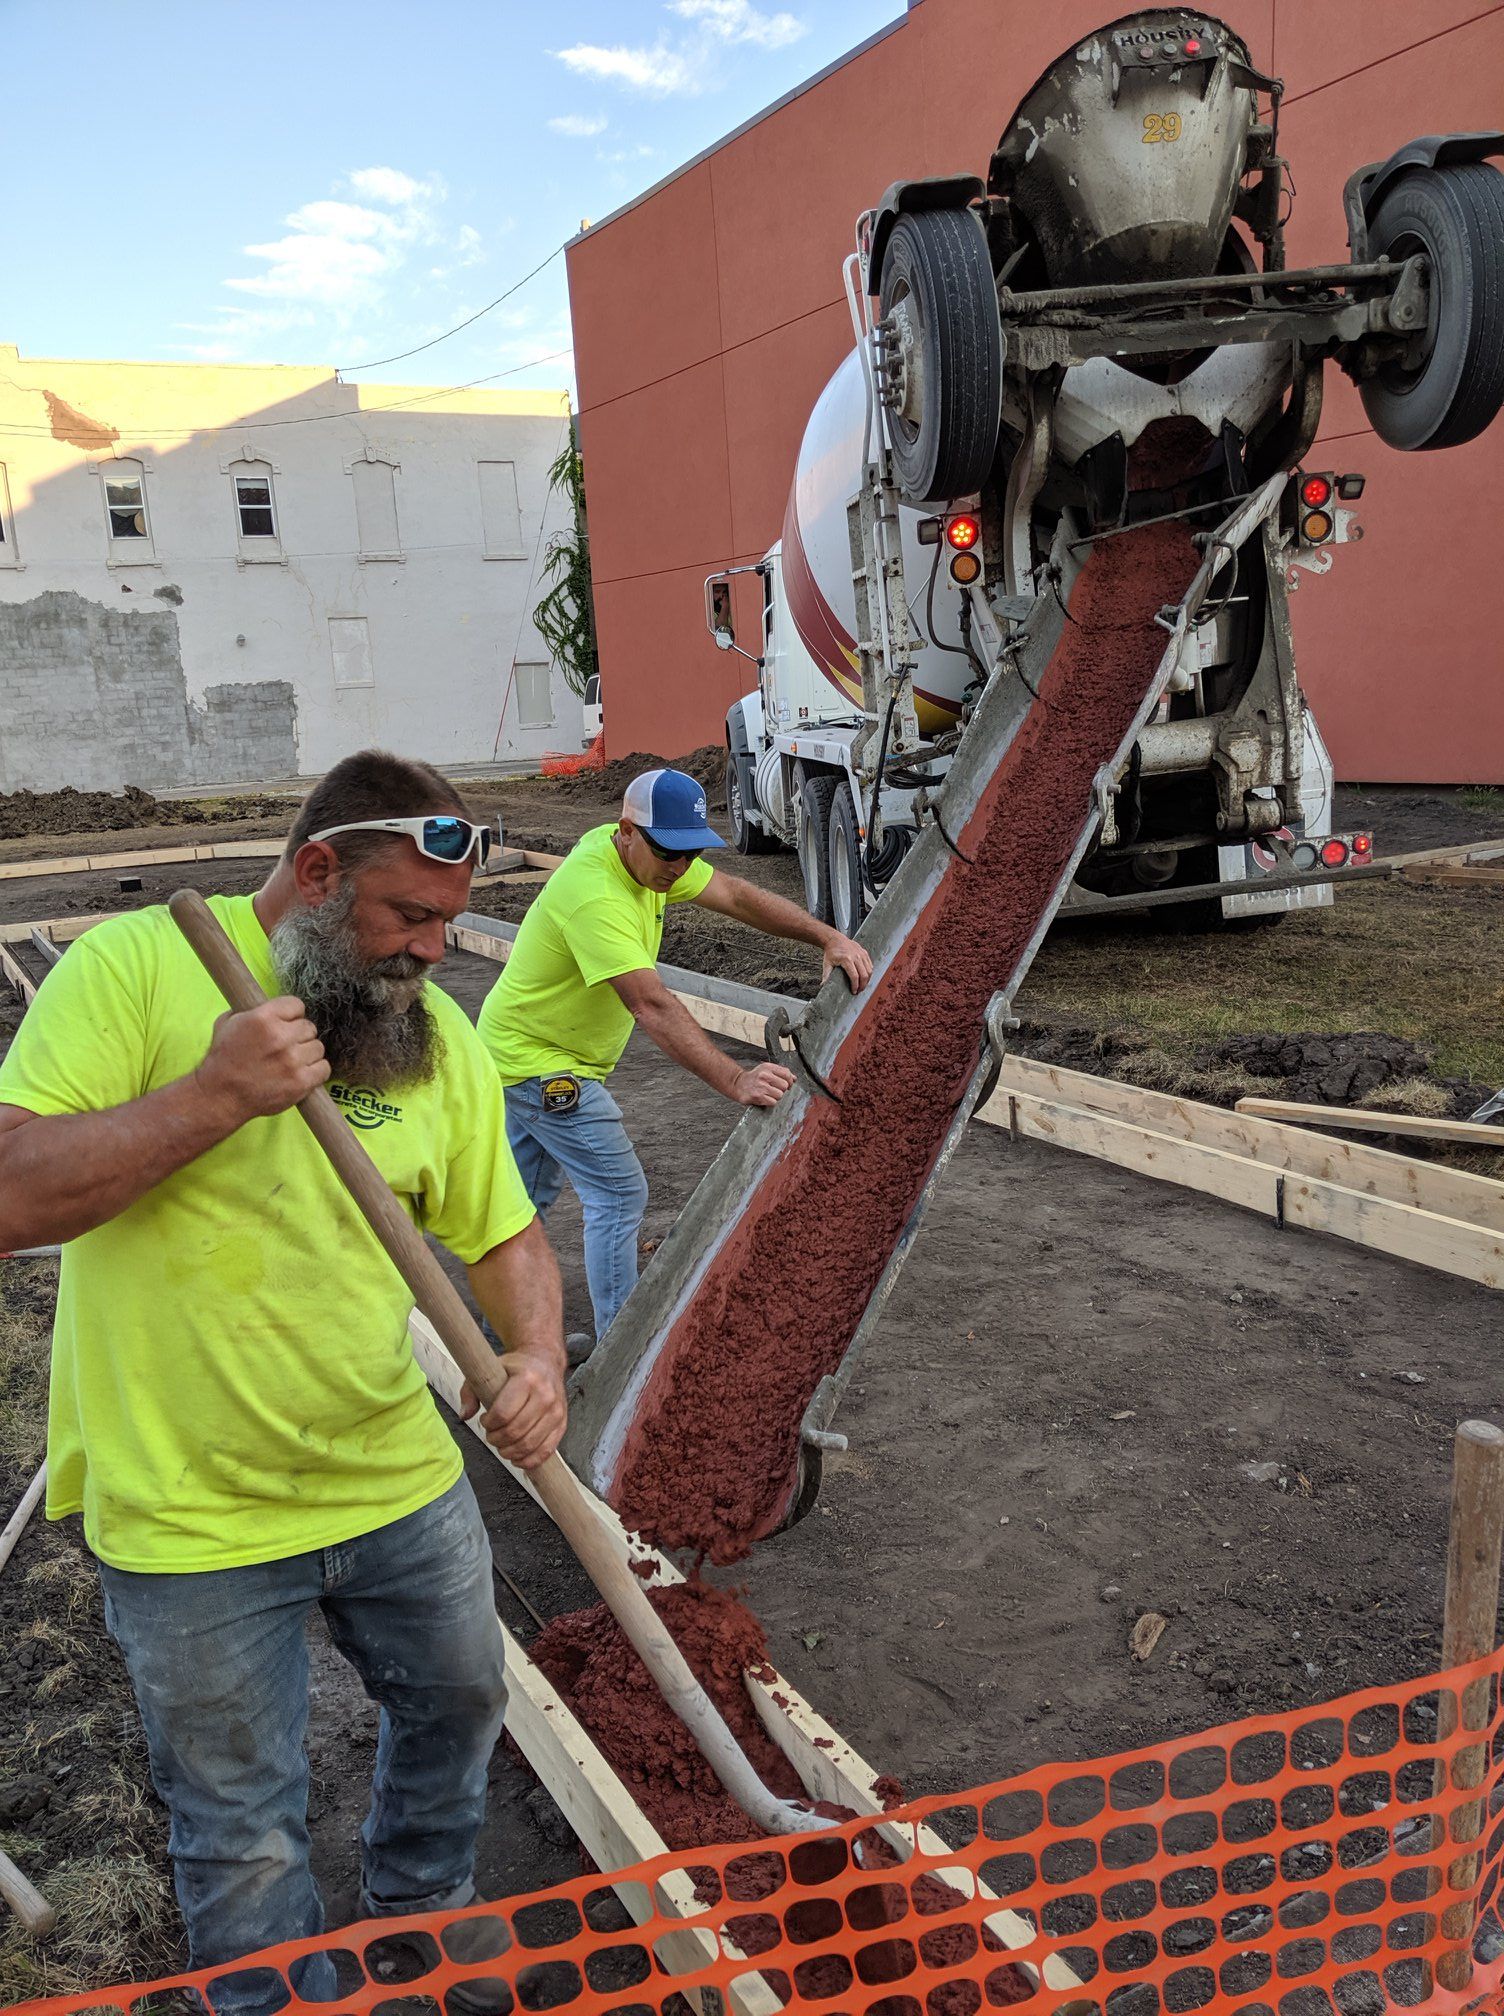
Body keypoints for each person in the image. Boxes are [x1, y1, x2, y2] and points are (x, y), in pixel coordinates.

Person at [0, 751, 566, 2004]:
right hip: (192, 1515)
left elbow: (506, 1234)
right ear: (316, 874)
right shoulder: (134, 971)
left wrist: (534, 1354)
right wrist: (212, 1096)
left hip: (392, 1478)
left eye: (448, 923)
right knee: (243, 1835)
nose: (431, 951)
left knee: (461, 1705)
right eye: (408, 916)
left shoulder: (426, 1035)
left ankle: (420, 1918)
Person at [476, 766, 873, 1347]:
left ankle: (503, 1352)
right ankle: (620, 1354)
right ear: (626, 832)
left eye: (692, 853)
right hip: (541, 1064)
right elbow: (651, 1005)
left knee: (522, 1205)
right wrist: (735, 1079)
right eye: (669, 852)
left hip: (518, 1050)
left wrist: (827, 937)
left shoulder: (648, 861)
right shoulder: (594, 894)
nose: (681, 866)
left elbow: (735, 895)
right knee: (618, 1193)